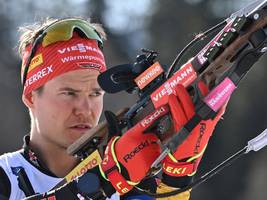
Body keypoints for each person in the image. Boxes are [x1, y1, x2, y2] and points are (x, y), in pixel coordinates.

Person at [0, 17, 227, 200]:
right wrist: (100, 183)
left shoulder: (127, 177)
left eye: (95, 93)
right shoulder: (6, 176)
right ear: (31, 97)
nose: (85, 108)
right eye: (69, 93)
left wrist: (177, 176)